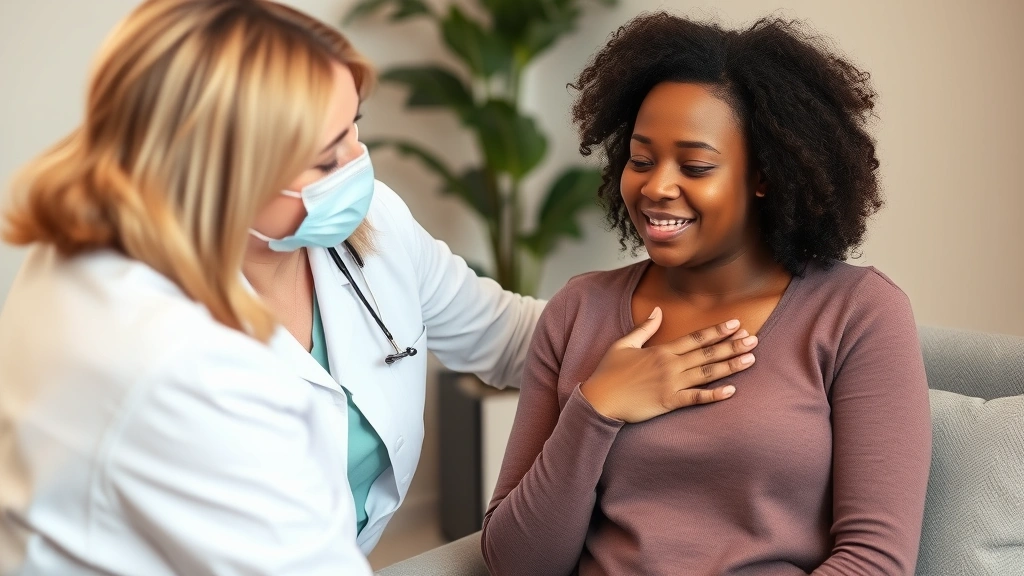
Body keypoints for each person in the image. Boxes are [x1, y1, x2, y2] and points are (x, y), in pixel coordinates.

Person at [0, 1, 755, 573]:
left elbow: (508, 337)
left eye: (354, 128)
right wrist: (595, 410)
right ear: (219, 176)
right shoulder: (151, 346)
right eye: (327, 158)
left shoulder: (359, 226)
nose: (357, 166)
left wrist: (687, 332)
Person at [482, 12, 932, 576]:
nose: (656, 186)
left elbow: (875, 562)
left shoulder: (857, 313)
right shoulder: (578, 309)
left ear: (765, 175)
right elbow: (515, 564)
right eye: (640, 160)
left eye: (695, 166)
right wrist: (595, 409)